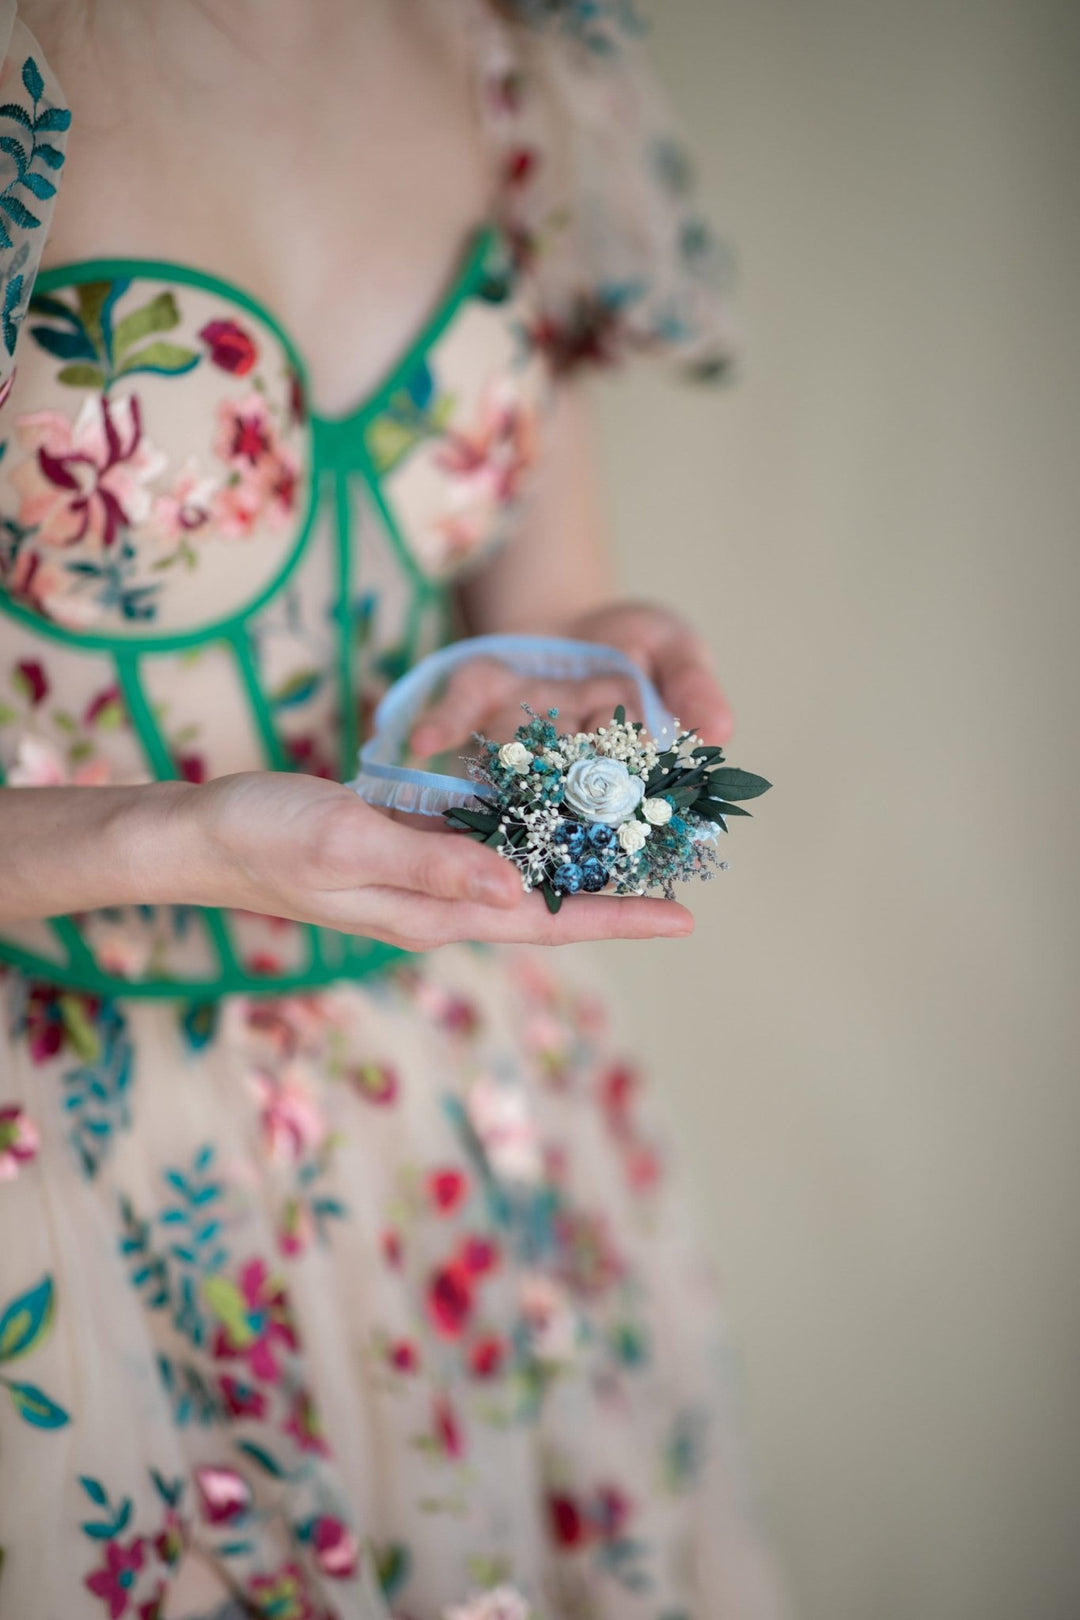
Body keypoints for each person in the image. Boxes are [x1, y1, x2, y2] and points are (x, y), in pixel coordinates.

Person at [0, 3, 788, 1616]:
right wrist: (183, 841)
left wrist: (592, 680)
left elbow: (536, 608)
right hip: (66, 1132)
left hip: (455, 1109)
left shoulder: (515, 52)